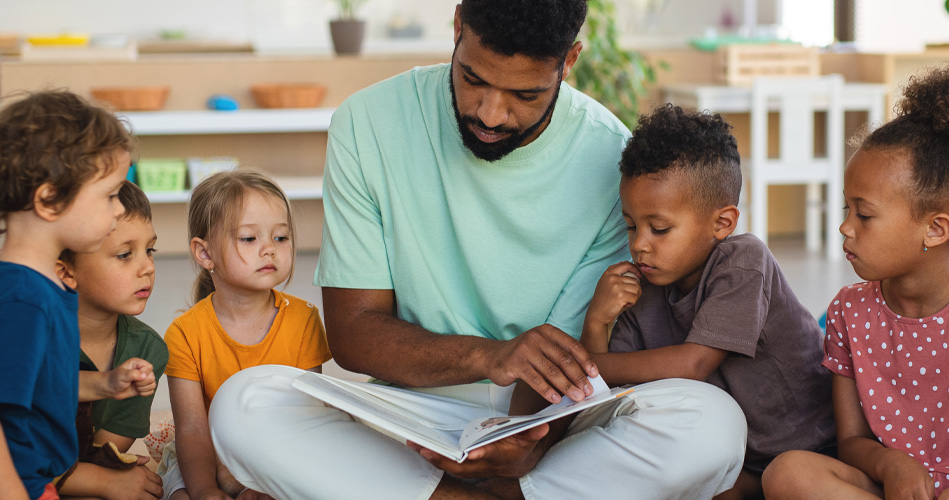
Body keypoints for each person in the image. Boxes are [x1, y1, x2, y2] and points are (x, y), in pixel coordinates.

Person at [210, 1, 746, 499]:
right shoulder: (367, 123)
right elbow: (353, 334)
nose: (491, 113)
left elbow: (577, 356)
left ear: (570, 61)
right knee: (245, 404)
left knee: (713, 422)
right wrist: (492, 357)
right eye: (472, 79)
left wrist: (530, 443)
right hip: (411, 412)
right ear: (458, 26)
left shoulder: (610, 156)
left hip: (555, 418)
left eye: (525, 95)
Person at [579, 103, 836, 500]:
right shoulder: (642, 287)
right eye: (631, 226)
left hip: (816, 449)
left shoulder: (744, 261)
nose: (639, 244)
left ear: (722, 223)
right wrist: (596, 321)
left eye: (659, 228)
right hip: (739, 462)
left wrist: (586, 367)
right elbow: (607, 397)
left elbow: (694, 363)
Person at [761, 67, 949, 500]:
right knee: (787, 474)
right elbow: (851, 443)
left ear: (935, 229)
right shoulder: (850, 312)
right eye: (846, 208)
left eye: (864, 215)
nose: (845, 227)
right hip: (886, 486)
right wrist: (892, 464)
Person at [160, 170, 331, 500]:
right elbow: (193, 429)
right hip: (209, 453)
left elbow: (310, 417)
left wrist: (268, 481)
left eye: (280, 238)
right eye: (249, 239)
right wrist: (205, 489)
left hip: (282, 449)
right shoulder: (184, 334)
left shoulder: (304, 319)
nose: (269, 250)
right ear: (205, 253)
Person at [0, 90, 138, 500]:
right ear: (48, 199)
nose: (118, 210)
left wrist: (103, 384)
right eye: (110, 194)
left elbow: (39, 383)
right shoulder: (24, 300)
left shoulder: (44, 286)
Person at [52, 180, 167, 499]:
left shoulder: (147, 351)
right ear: (67, 272)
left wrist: (98, 478)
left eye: (150, 250)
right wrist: (105, 483)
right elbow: (19, 459)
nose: (147, 267)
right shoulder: (34, 338)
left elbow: (100, 454)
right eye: (124, 254)